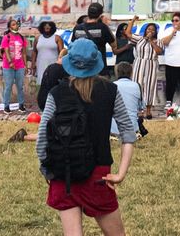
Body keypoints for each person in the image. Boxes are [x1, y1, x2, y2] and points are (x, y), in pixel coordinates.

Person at [36, 37, 137, 236]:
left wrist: (47, 171)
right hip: (99, 175)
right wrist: (121, 173)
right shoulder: (110, 90)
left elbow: (41, 140)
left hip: (63, 173)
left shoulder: (56, 93)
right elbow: (128, 132)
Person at [71, 4, 117, 75]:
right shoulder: (103, 28)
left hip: (81, 69)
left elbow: (72, 46)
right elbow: (114, 46)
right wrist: (105, 25)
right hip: (98, 69)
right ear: (100, 15)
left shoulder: (77, 28)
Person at [1, 20, 30, 113]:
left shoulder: (21, 37)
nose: (16, 25)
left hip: (20, 65)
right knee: (8, 86)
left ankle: (21, 105)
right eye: (13, 24)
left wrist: (25, 65)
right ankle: (6, 106)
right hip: (8, 66)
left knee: (20, 86)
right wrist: (10, 62)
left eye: (16, 24)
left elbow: (24, 53)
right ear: (10, 27)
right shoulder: (7, 37)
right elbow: (6, 50)